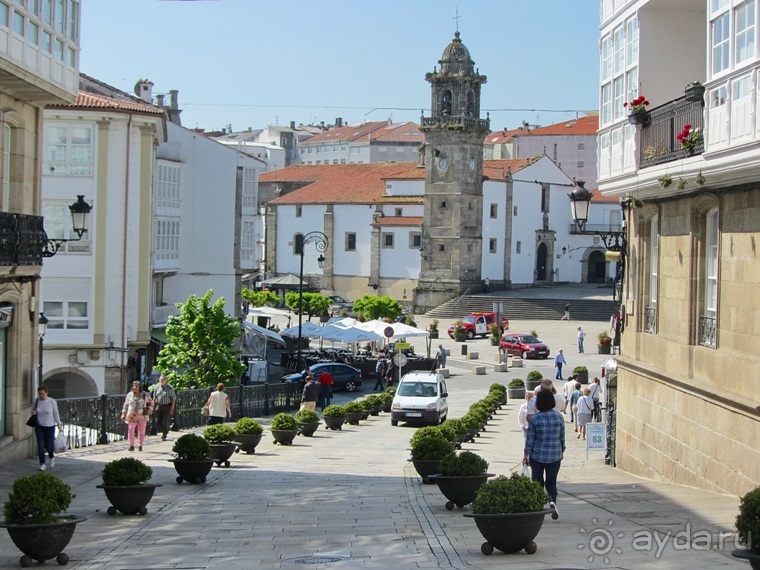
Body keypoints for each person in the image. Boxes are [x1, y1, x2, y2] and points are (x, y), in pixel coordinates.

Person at [523, 389, 565, 509]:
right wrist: (562, 450)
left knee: (537, 482)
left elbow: (530, 439)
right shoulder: (559, 417)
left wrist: (526, 454)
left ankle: (538, 504)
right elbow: (562, 437)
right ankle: (552, 502)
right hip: (555, 455)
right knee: (551, 482)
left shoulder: (535, 419)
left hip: (537, 456)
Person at [32, 385, 62, 471]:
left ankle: (51, 457)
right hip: (39, 426)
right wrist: (33, 412)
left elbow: (56, 413)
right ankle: (42, 463)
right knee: (41, 446)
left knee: (49, 445)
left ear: (46, 393)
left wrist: (59, 424)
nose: (41, 396)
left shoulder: (52, 402)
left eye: (42, 394)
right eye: (39, 394)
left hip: (50, 426)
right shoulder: (37, 401)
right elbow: (32, 410)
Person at [121, 380, 153, 452]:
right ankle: (131, 445)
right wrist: (123, 413)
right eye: (133, 386)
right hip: (131, 415)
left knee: (141, 431)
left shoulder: (145, 395)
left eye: (136, 386)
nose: (134, 387)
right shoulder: (129, 395)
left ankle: (140, 445)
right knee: (131, 430)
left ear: (139, 387)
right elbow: (126, 405)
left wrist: (149, 410)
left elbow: (151, 403)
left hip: (142, 415)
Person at [152, 374, 176, 441]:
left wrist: (172, 408)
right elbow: (154, 398)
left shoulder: (169, 388)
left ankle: (164, 435)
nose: (162, 381)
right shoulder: (157, 388)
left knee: (165, 421)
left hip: (167, 406)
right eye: (161, 379)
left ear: (166, 380)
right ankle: (165, 430)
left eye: (163, 380)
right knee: (158, 421)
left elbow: (173, 398)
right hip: (159, 406)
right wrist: (153, 407)